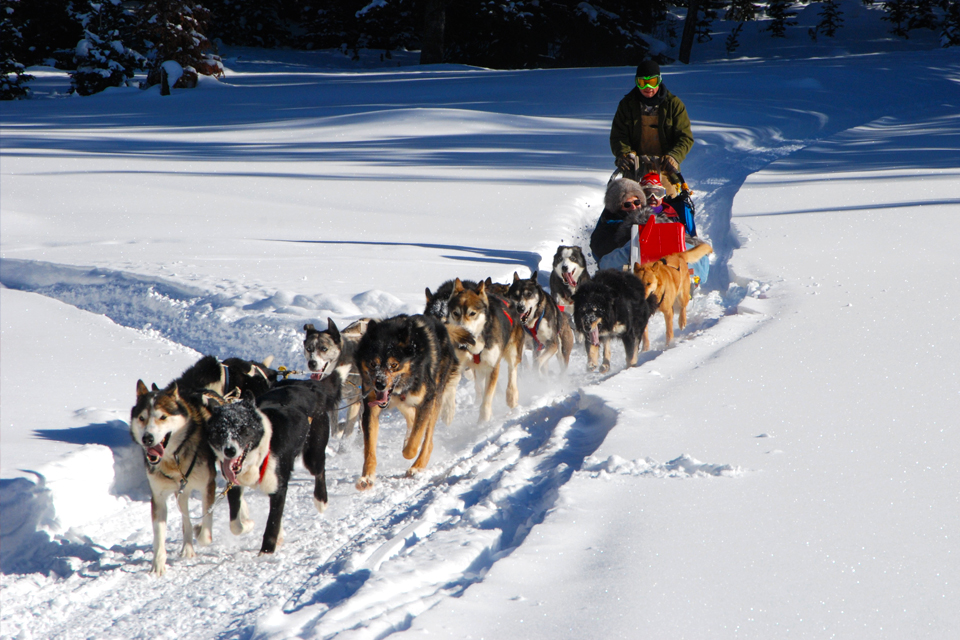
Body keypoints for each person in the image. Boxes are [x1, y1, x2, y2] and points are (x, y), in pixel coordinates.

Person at [610, 59, 694, 197]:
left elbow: (685, 137)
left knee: (668, 202)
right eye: (643, 82)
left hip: (665, 168)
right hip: (634, 167)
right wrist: (623, 154)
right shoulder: (627, 105)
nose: (648, 87)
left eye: (652, 82)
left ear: (659, 80)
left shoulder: (674, 105)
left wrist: (673, 157)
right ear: (637, 82)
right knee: (629, 202)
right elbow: (618, 135)